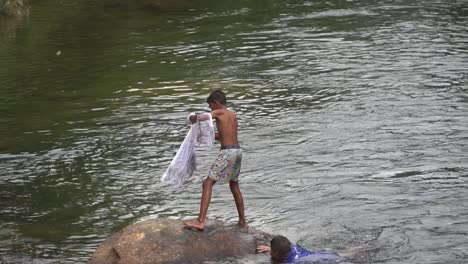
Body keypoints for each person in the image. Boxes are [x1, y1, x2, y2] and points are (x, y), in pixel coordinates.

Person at [184, 90, 248, 231]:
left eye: (211, 105)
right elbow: (225, 135)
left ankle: (200, 221)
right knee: (234, 185)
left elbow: (202, 117)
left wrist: (191, 117)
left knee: (207, 183)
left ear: (217, 103)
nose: (211, 109)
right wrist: (204, 135)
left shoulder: (219, 112)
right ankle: (243, 221)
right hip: (237, 151)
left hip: (227, 153)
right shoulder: (232, 114)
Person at [257, 236, 342, 263]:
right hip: (327, 255)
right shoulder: (291, 247)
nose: (270, 251)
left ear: (277, 253)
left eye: (272, 250)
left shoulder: (291, 262)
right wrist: (271, 249)